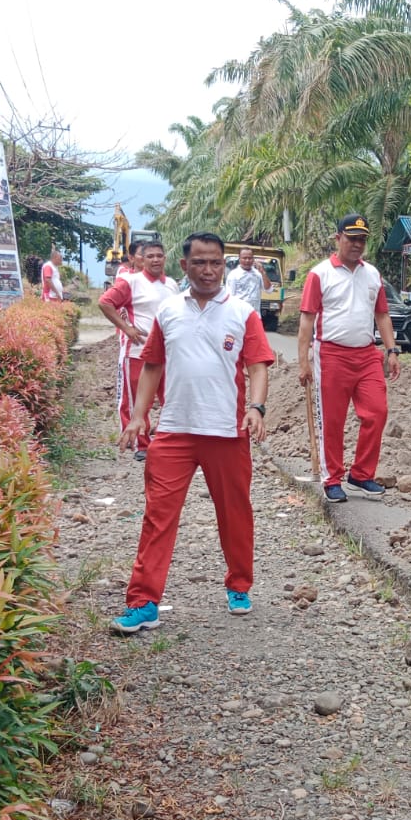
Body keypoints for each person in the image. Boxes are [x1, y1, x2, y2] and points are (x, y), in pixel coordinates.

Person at [113, 232, 274, 634]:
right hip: (174, 432)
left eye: (216, 262)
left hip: (227, 431)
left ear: (224, 265)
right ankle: (143, 602)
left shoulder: (242, 312)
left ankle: (239, 584)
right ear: (184, 266)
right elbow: (152, 365)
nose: (208, 270)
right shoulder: (168, 311)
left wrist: (256, 408)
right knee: (158, 516)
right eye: (199, 262)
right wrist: (138, 416)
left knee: (235, 514)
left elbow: (257, 366)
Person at [297, 214, 399, 502]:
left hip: (366, 355)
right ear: (338, 238)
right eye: (352, 238)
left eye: (362, 240)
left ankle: (361, 474)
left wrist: (392, 350)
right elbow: (307, 321)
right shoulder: (320, 274)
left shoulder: (372, 274)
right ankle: (332, 478)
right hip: (331, 354)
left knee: (377, 412)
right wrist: (304, 361)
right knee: (333, 420)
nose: (357, 244)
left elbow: (382, 314)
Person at [98, 239, 179, 457]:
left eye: (159, 256)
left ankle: (167, 440)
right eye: (150, 256)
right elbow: (105, 302)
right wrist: (126, 328)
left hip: (168, 353)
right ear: (141, 259)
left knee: (171, 397)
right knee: (136, 399)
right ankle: (141, 445)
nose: (155, 260)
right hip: (137, 352)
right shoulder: (130, 282)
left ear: (165, 259)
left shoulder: (172, 285)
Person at [225, 246, 264, 316]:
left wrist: (263, 272)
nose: (247, 260)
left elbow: (269, 290)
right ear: (239, 259)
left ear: (253, 259)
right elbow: (230, 298)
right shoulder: (233, 275)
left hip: (255, 315)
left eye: (250, 258)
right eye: (244, 258)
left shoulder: (258, 274)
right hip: (239, 315)